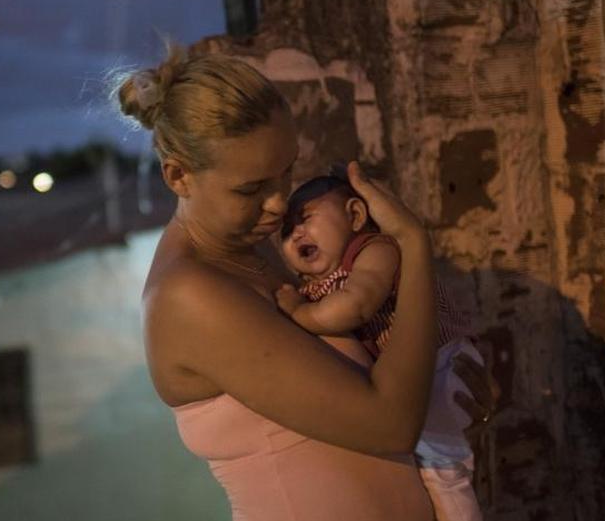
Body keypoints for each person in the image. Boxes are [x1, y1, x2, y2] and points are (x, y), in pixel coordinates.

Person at [114, 44, 498, 521]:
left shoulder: (254, 253)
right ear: (178, 177)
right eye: (251, 188)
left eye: (287, 172)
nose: (278, 205)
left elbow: (383, 388)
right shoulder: (188, 295)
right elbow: (391, 423)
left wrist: (445, 401)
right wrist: (411, 244)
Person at [276, 174, 484, 521]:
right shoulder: (315, 284)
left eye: (306, 218)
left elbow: (356, 304)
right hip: (418, 381)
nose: (296, 233)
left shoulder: (374, 251)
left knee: (444, 473)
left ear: (356, 216)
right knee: (432, 471)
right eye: (286, 231)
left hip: (441, 366)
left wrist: (299, 312)